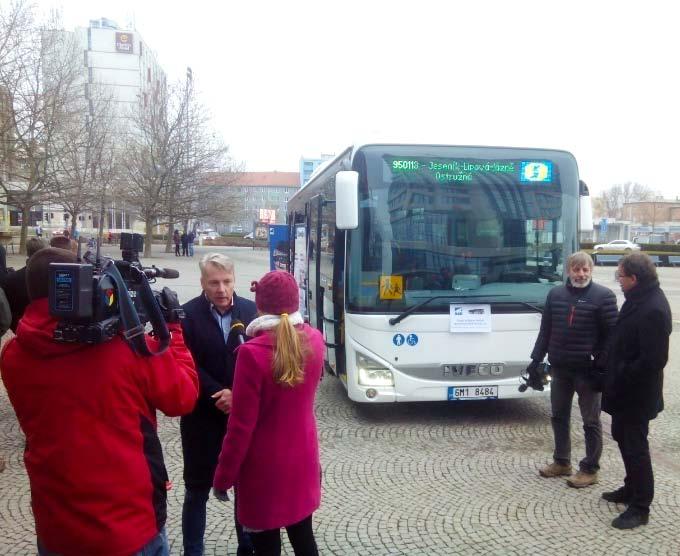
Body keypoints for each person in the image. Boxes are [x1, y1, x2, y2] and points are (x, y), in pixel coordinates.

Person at [0, 247, 198, 556]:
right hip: (130, 529)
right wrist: (172, 329)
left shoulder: (13, 356)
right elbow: (183, 398)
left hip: (57, 528)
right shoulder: (128, 348)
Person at [213, 270, 325, 556]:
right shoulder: (315, 339)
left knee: (265, 550)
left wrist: (223, 478)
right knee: (304, 540)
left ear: (259, 306)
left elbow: (240, 428)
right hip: (303, 461)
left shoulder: (251, 354)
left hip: (263, 472)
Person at [180, 253, 257, 556]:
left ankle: (247, 548)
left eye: (226, 282)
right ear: (202, 283)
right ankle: (192, 550)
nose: (221, 289)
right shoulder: (186, 315)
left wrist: (237, 393)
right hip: (201, 417)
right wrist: (219, 393)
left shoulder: (252, 312)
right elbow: (186, 362)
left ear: (234, 280)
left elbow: (261, 362)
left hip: (243, 417)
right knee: (196, 492)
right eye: (214, 283)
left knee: (246, 490)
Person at [529, 251, 618, 488]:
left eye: (585, 269)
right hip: (560, 368)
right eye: (576, 269)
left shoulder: (604, 297)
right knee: (559, 416)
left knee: (591, 421)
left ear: (591, 271)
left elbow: (613, 336)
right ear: (568, 271)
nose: (580, 274)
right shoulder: (555, 295)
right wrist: (535, 360)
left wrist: (601, 362)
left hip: (588, 372)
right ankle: (562, 462)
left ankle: (590, 468)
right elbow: (545, 331)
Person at [602, 252, 672, 529]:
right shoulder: (638, 299)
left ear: (634, 278)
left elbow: (654, 360)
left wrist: (621, 373)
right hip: (623, 389)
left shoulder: (653, 307)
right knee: (621, 435)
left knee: (636, 446)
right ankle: (630, 487)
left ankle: (641, 506)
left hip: (636, 394)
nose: (618, 281)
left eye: (620, 276)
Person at [2, 237, 46, 332]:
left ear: (27, 252)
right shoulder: (53, 277)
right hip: (46, 329)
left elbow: (9, 311)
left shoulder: (12, 278)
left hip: (20, 327)